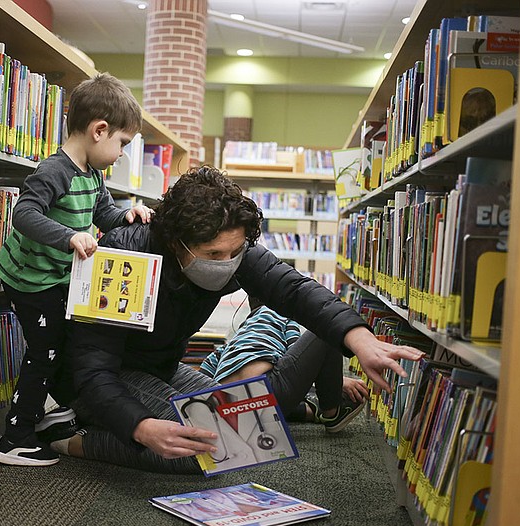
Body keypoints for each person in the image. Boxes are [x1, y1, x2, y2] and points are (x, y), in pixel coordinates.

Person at [50, 166, 423, 474]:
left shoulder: (236, 250)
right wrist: (141, 427)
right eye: (212, 253)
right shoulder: (124, 255)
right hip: (97, 379)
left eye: (234, 251)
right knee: (215, 449)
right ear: (176, 242)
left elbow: (295, 290)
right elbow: (92, 371)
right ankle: (73, 439)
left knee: (249, 425)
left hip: (160, 367)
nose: (225, 262)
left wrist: (361, 339)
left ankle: (134, 425)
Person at [0, 72, 153, 467]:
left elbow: (103, 213)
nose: (121, 154)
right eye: (122, 144)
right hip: (29, 280)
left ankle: (47, 414)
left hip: (57, 277)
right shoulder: (55, 170)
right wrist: (69, 237)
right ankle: (14, 437)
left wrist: (126, 214)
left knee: (67, 340)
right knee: (44, 351)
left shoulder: (93, 175)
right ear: (100, 130)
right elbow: (24, 214)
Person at [199, 304, 369, 432]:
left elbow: (205, 370)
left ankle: (305, 410)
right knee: (326, 329)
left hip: (226, 401)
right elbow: (296, 360)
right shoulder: (283, 314)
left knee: (278, 388)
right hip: (268, 390)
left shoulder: (237, 337)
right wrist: (337, 382)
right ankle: (332, 413)